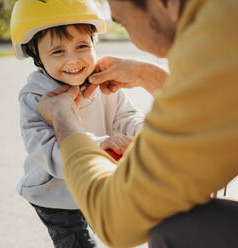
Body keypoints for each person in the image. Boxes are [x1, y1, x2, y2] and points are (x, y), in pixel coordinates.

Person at [36, 0, 238, 247]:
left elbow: (115, 218)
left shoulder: (233, 41)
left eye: (125, 23)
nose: (134, 40)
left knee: (174, 229)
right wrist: (146, 75)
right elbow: (227, 103)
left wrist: (64, 121)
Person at [10, 0, 144, 247]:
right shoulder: (35, 97)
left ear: (94, 43)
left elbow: (125, 117)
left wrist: (143, 133)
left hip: (99, 182)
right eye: (58, 51)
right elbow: (47, 150)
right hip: (57, 196)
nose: (73, 59)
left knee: (124, 231)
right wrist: (101, 146)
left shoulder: (104, 80)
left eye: (82, 45)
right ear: (36, 56)